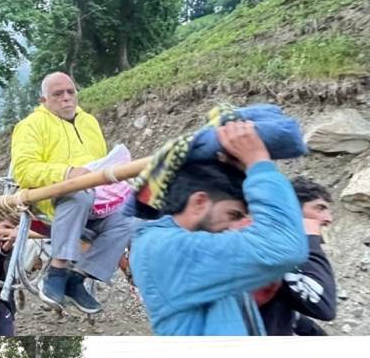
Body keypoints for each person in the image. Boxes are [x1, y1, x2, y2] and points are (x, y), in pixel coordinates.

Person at [129, 121, 308, 335]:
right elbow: (282, 246)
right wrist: (258, 163)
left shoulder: (185, 246)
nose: (237, 226)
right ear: (199, 203)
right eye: (233, 215)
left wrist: (245, 170)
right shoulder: (165, 248)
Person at [12, 72, 133, 314]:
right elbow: (23, 171)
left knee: (132, 212)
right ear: (43, 100)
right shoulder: (30, 126)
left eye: (71, 92)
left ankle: (76, 278)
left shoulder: (90, 122)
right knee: (78, 192)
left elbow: (100, 162)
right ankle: (57, 270)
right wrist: (67, 173)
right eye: (58, 94)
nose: (66, 98)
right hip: (50, 199)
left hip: (95, 196)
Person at [255, 177, 337, 335]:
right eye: (319, 208)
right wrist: (309, 239)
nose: (328, 219)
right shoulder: (267, 252)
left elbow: (283, 310)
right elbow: (323, 306)